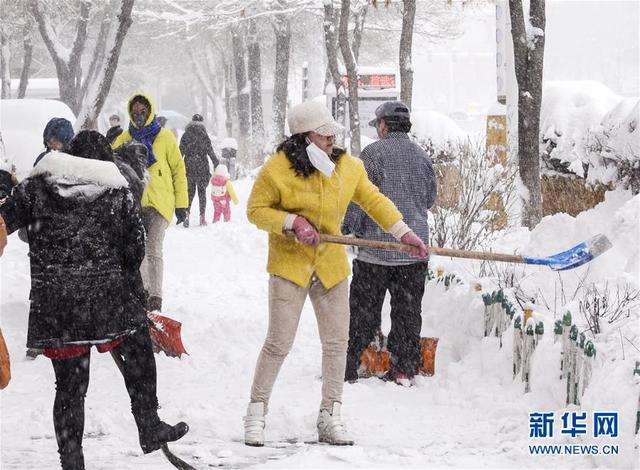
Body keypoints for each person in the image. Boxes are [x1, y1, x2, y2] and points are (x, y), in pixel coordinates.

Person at [243, 100, 428, 447]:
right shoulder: (277, 170)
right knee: (279, 342)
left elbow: (374, 201)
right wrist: (291, 222)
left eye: (332, 134)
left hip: (329, 266)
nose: (331, 139)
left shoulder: (347, 168)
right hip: (290, 266)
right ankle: (256, 413)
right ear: (303, 137)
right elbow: (255, 211)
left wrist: (404, 233)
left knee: (337, 343)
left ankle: (330, 414)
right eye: (323, 134)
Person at [0, 131, 188, 469]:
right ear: (106, 162)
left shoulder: (36, 187)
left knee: (70, 388)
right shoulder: (118, 193)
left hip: (57, 309)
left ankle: (72, 461)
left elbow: (4, 221)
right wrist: (138, 301)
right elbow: (134, 252)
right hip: (109, 304)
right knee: (139, 359)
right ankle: (148, 424)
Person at [342, 101, 437, 387]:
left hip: (375, 253)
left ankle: (355, 363)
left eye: (378, 125)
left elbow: (359, 198)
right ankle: (404, 368)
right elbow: (429, 198)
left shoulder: (371, 154)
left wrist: (350, 228)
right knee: (407, 313)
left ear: (383, 125)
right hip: (413, 252)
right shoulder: (422, 156)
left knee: (364, 312)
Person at [112, 94, 188, 312]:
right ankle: (142, 293)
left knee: (153, 248)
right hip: (133, 205)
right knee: (138, 251)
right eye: (134, 111)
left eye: (142, 110)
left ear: (150, 110)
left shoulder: (165, 138)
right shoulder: (124, 139)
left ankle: (155, 297)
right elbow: (110, 167)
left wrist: (181, 203)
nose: (138, 114)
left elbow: (178, 171)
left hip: (160, 203)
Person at [179, 114, 219, 227]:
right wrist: (216, 163)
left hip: (189, 167)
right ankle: (202, 217)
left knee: (189, 193)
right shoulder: (204, 135)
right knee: (202, 193)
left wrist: (175, 165)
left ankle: (186, 215)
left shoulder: (186, 135)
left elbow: (179, 152)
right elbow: (210, 151)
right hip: (202, 167)